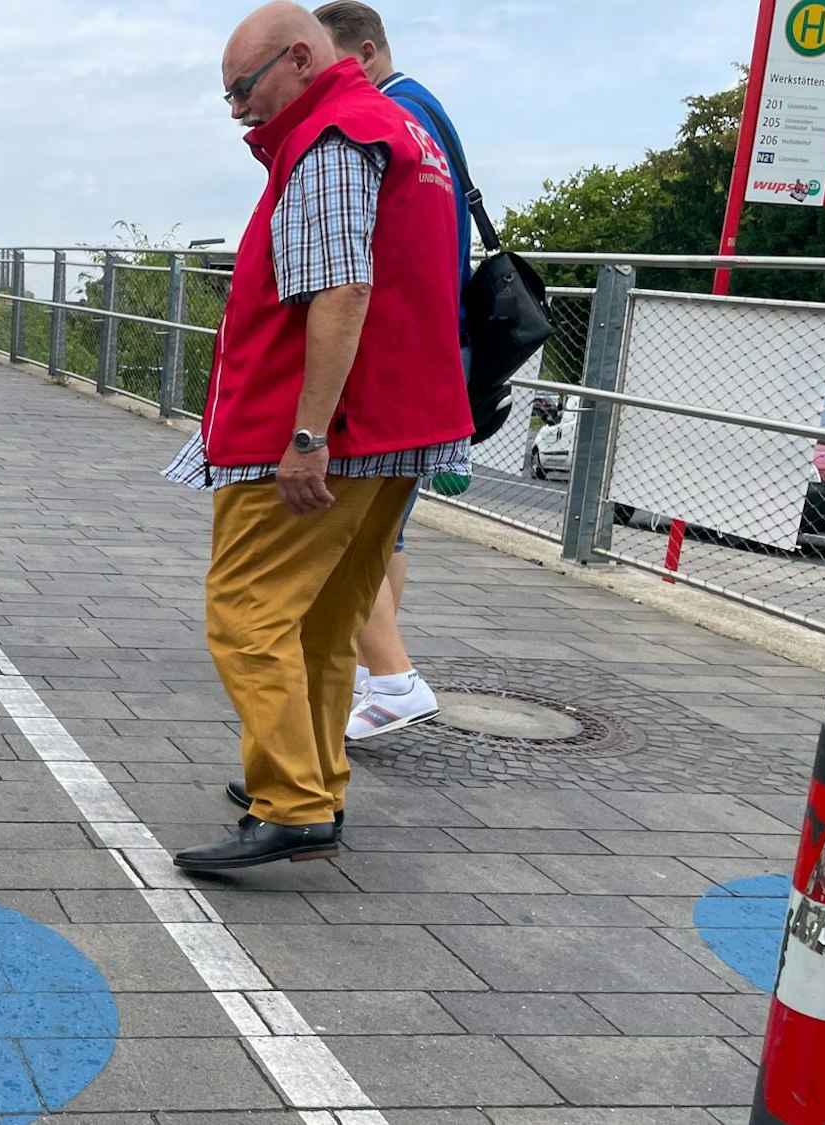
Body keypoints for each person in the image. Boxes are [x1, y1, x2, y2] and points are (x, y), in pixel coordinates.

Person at [163, 2, 473, 870]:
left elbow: (339, 291)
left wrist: (306, 433)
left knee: (246, 612)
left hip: (324, 427)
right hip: (406, 423)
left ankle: (292, 801)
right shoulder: (404, 131)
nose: (237, 111)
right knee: (327, 622)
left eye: (242, 89)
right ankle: (316, 780)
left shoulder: (333, 139)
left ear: (299, 59)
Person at [310, 0, 476, 741]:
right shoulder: (426, 113)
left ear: (366, 54)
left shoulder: (389, 116)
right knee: (386, 536)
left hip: (398, 360)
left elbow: (363, 263)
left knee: (344, 532)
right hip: (437, 351)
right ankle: (373, 680)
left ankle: (393, 678)